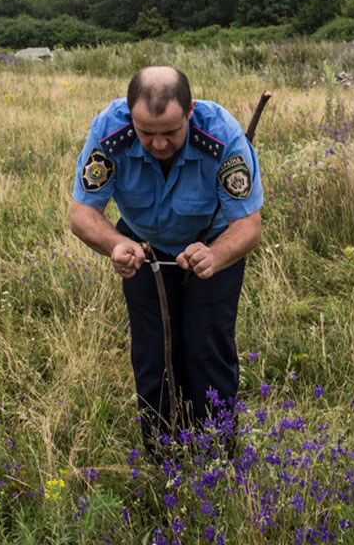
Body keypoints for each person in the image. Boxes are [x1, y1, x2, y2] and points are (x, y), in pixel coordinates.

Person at [69, 66, 263, 442]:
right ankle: (163, 451)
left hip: (213, 243)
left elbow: (248, 226)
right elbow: (82, 214)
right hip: (142, 244)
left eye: (171, 132)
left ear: (190, 111)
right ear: (129, 115)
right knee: (154, 351)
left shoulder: (222, 135)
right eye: (146, 133)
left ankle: (217, 452)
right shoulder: (109, 133)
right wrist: (115, 245)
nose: (158, 144)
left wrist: (216, 256)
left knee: (206, 347)